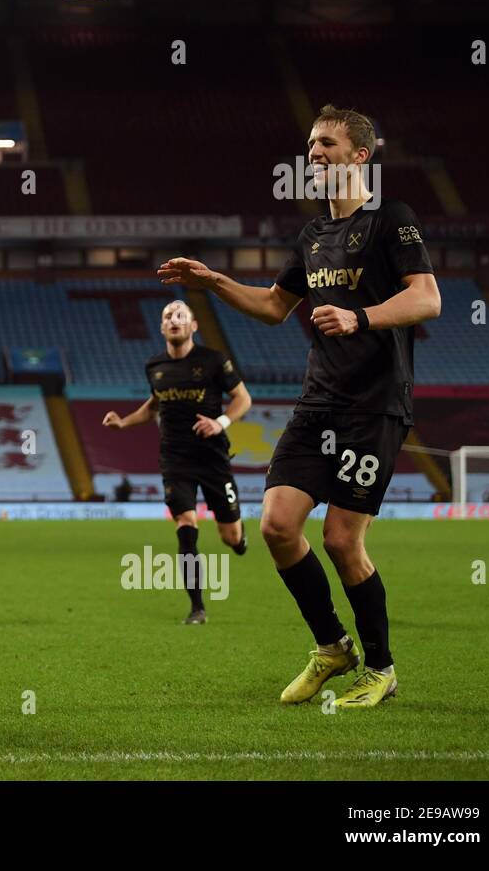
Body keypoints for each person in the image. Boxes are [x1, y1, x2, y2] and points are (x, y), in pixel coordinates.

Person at [158, 104, 441, 708]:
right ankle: (333, 647)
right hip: (318, 404)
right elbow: (271, 305)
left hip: (375, 405)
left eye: (327, 144)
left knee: (342, 539)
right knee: (278, 526)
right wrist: (213, 282)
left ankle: (382, 669)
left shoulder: (393, 220)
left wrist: (360, 315)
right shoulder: (312, 236)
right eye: (310, 145)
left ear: (360, 155)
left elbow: (427, 298)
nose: (314, 154)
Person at [104, 300, 252, 624]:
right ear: (161, 327)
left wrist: (220, 423)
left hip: (213, 456)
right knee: (186, 526)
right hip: (174, 458)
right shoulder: (154, 366)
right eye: (168, 316)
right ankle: (197, 608)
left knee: (230, 536)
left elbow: (244, 398)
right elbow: (155, 404)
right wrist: (124, 422)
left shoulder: (214, 361)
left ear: (193, 326)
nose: (174, 320)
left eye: (181, 315)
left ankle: (239, 540)